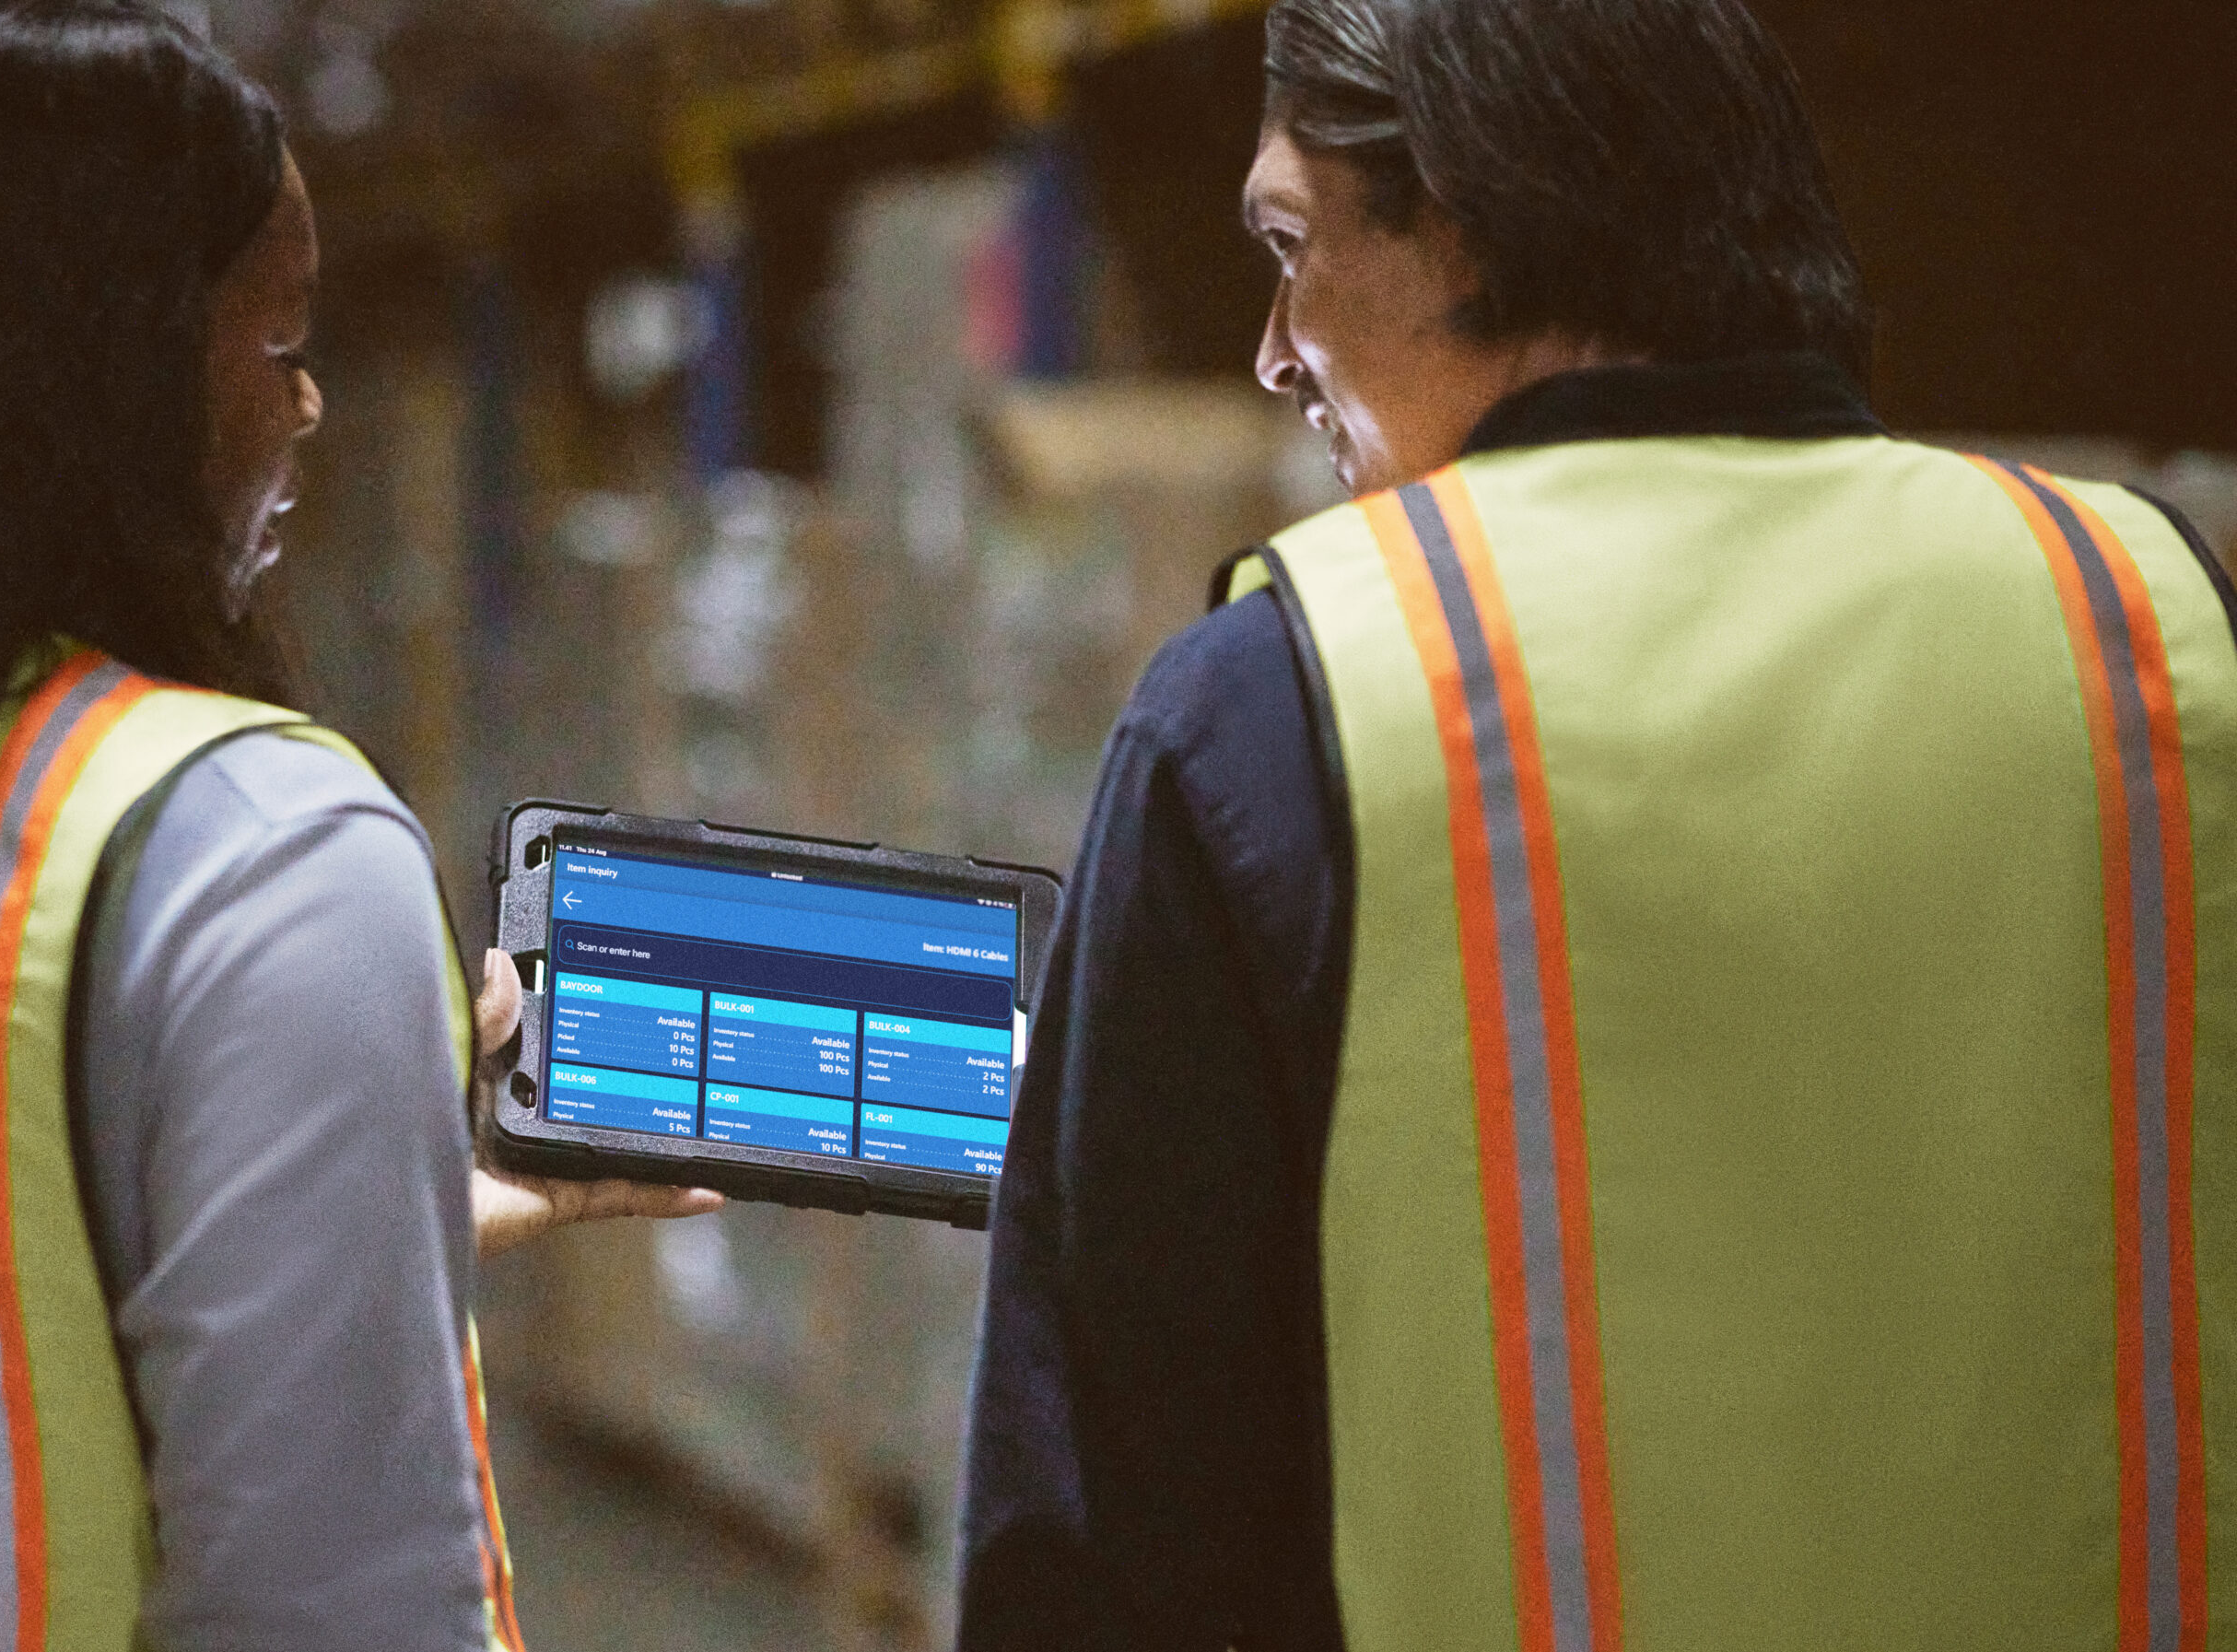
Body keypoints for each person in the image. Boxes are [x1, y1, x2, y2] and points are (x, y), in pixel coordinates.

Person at [956, 0, 2237, 1646]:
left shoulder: (1292, 703)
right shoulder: (2144, 625)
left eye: (1294, 243)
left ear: (1468, 218)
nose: (1276, 347)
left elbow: (1113, 1527)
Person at [0, 6, 715, 1649]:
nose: (315, 409)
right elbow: (334, 1609)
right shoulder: (258, 847)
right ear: (104, 377)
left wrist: (326, 1221)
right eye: (278, 349)